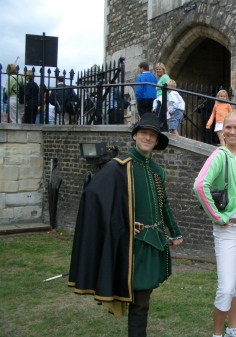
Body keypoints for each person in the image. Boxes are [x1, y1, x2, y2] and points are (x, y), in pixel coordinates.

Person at [68, 112, 183, 337]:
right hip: (131, 246)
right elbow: (93, 197)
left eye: (152, 135)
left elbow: (164, 205)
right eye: (144, 133)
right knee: (137, 297)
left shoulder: (158, 172)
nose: (147, 138)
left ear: (157, 140)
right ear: (135, 136)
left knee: (144, 297)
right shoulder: (119, 167)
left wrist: (175, 233)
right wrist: (124, 222)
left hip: (154, 244)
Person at [193, 110, 236, 337]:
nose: (232, 131)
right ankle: (217, 335)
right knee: (225, 287)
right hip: (228, 229)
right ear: (223, 130)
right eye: (228, 127)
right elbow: (200, 185)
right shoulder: (220, 155)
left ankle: (233, 329)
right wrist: (218, 216)